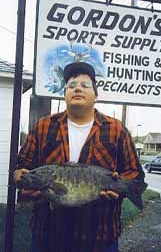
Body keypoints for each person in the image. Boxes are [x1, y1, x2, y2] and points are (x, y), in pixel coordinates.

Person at [14, 62, 146, 252]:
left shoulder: (117, 130)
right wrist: (20, 177)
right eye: (71, 85)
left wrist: (120, 189)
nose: (77, 88)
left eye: (85, 85)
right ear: (65, 93)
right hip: (47, 235)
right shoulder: (43, 126)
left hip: (100, 236)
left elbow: (134, 174)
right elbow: (22, 168)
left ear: (96, 96)